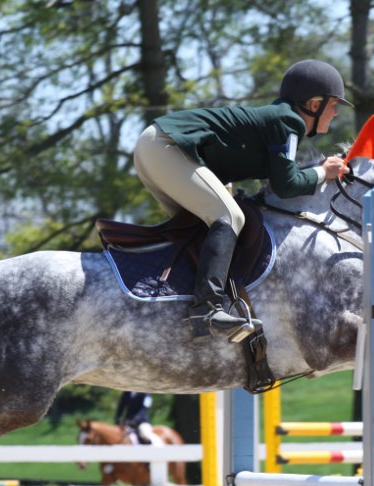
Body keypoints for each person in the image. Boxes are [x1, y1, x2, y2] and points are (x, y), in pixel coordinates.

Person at [133, 59, 353, 343]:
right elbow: (286, 186)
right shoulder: (289, 122)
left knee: (201, 229)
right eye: (334, 105)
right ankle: (207, 312)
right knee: (230, 217)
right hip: (167, 147)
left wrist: (318, 171)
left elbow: (281, 176)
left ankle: (172, 304)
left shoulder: (281, 119)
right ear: (314, 104)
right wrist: (324, 172)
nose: (335, 113)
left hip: (156, 147)